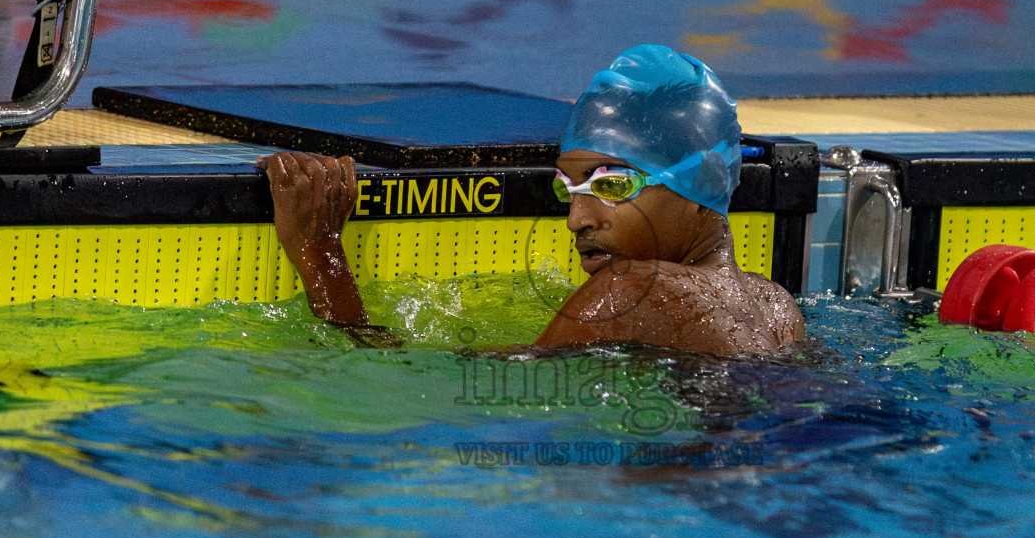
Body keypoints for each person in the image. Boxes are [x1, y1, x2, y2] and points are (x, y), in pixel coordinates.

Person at [261, 44, 805, 356]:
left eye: (613, 183)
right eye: (567, 188)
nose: (577, 218)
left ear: (697, 188)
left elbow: (396, 385)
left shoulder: (635, 289)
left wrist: (319, 251)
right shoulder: (777, 306)